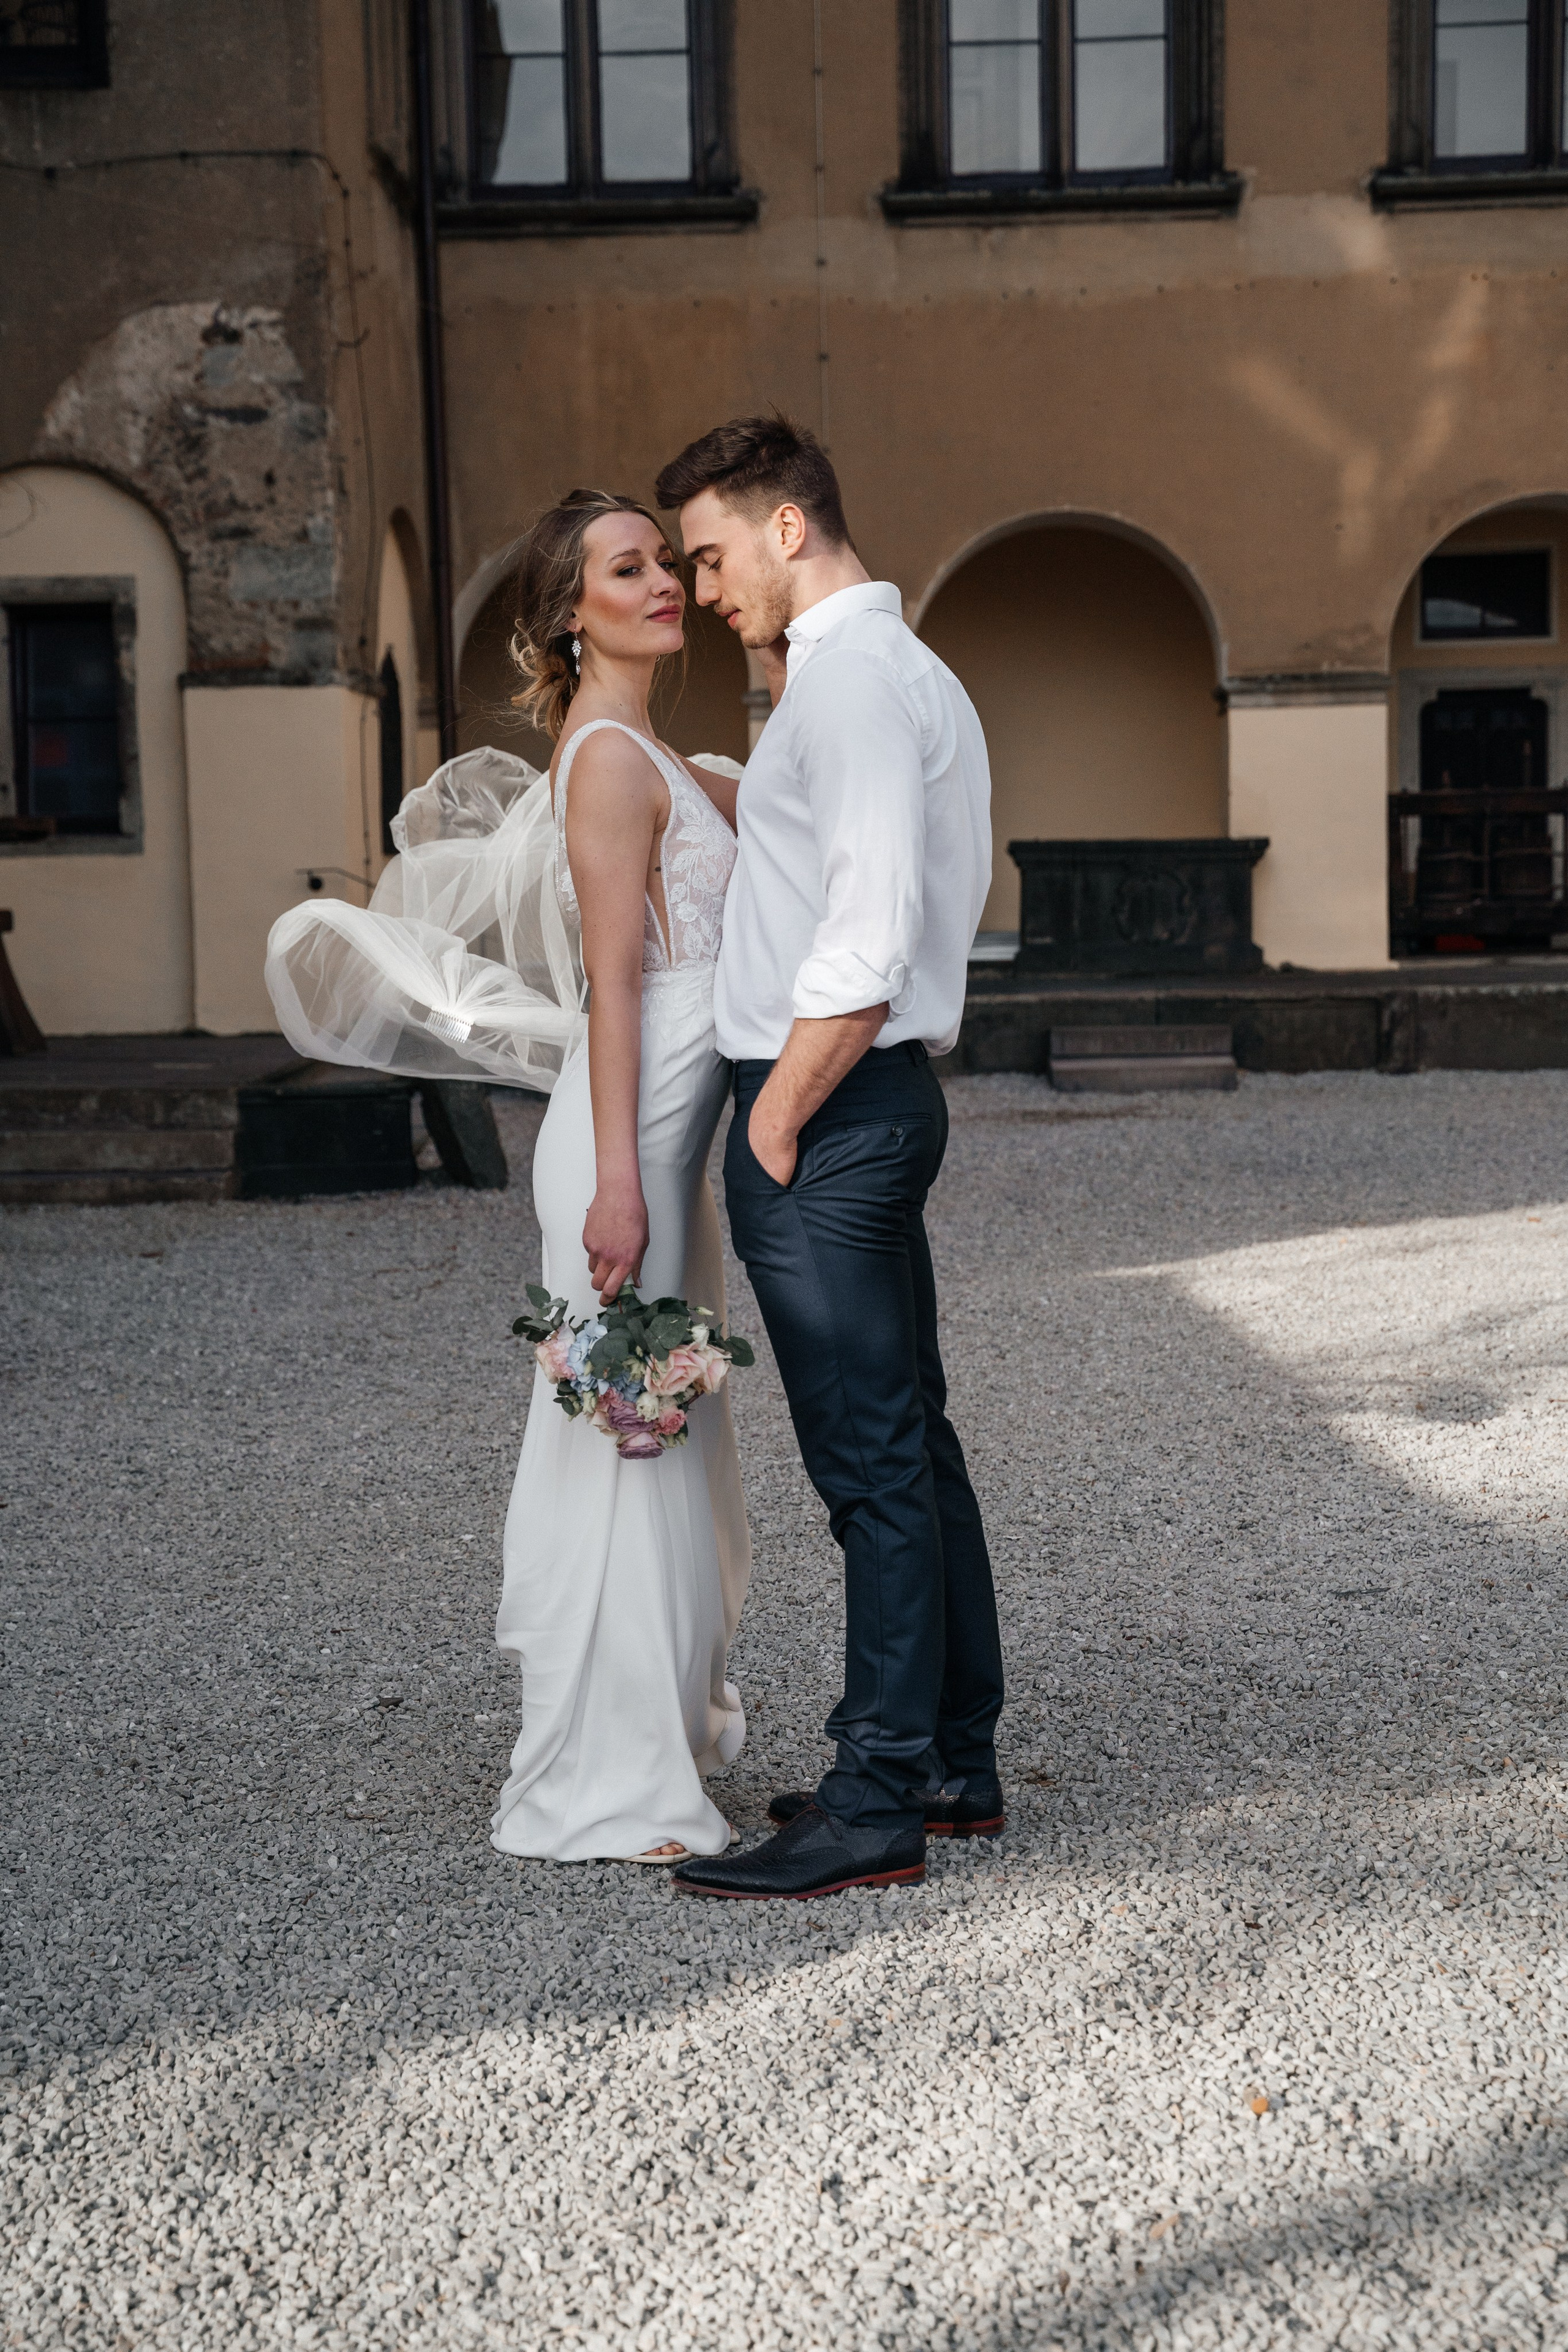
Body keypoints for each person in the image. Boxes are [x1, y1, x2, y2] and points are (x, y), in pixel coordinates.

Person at [265, 489, 752, 1864]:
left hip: (663, 1151)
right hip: (626, 1153)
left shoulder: (646, 751)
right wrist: (617, 1187)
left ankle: (655, 1738)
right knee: (627, 1453)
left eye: (665, 560)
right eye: (628, 567)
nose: (663, 581)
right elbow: (613, 986)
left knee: (662, 1445)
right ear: (567, 612)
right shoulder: (604, 762)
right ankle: (610, 1786)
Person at [652, 413, 1006, 1902]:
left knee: (868, 1466)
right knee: (908, 1442)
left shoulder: (854, 681)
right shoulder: (891, 673)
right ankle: (943, 1758)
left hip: (832, 1109)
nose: (704, 586)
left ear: (787, 525)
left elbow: (862, 938)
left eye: (711, 553)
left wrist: (777, 1120)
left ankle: (871, 1802)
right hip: (864, 1105)